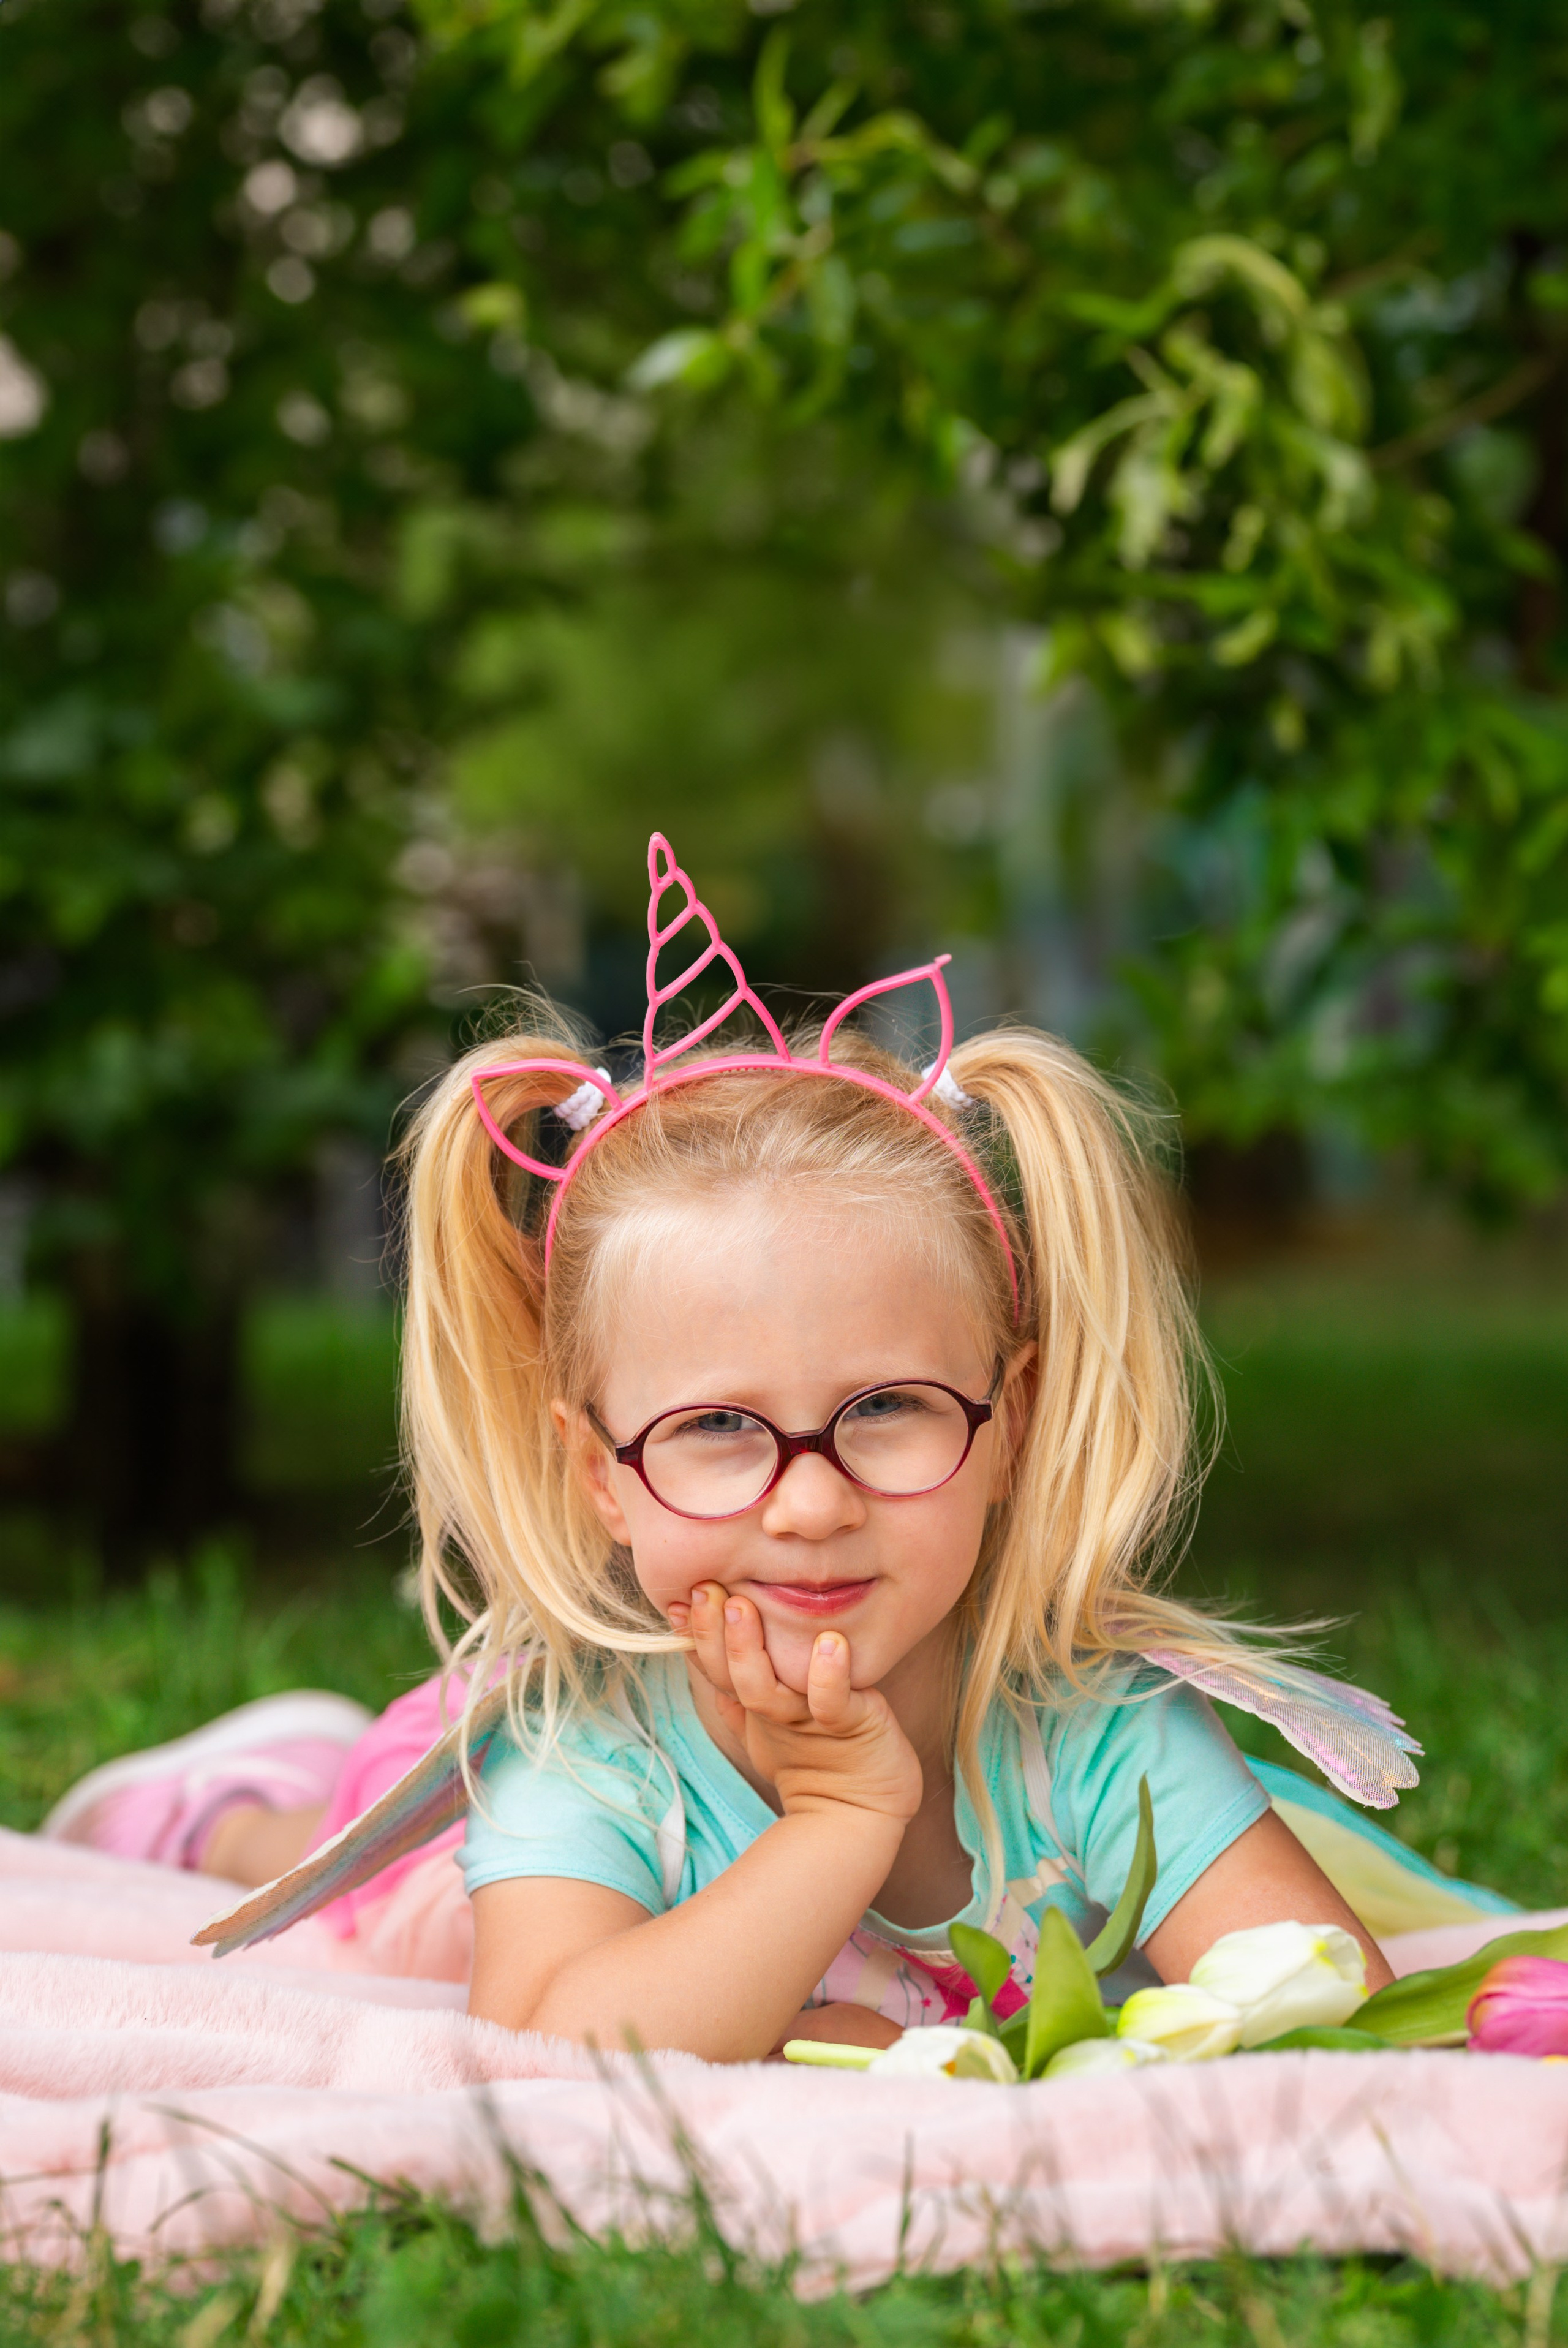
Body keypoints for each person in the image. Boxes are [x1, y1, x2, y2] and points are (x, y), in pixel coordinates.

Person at [50, 834, 1507, 2061]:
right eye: (712, 1430)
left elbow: (1325, 2006)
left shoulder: (1098, 1728)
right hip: (458, 1814)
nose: (809, 1503)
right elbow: (546, 2046)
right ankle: (222, 1807)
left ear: (1008, 1422)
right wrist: (837, 1821)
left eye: (884, 1409)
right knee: (371, 1883)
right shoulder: (578, 1750)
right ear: (598, 1472)